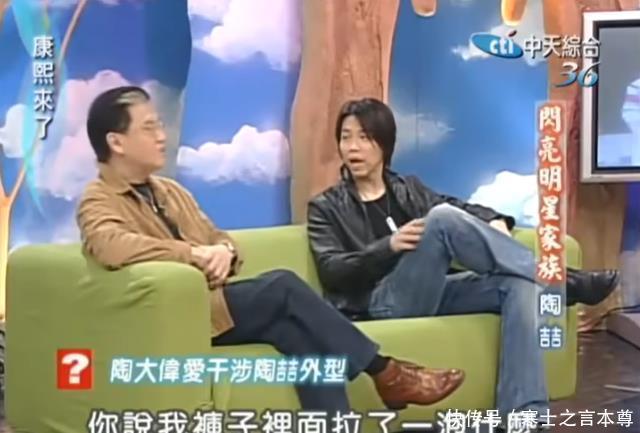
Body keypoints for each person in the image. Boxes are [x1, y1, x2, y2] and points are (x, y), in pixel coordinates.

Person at [76, 86, 466, 416]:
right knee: (282, 286)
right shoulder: (98, 199)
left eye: (160, 125)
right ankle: (386, 371)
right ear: (116, 142)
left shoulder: (170, 191)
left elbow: (221, 238)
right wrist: (193, 254)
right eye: (149, 127)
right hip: (180, 316)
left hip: (215, 305)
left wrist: (223, 251)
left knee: (303, 339)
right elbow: (111, 245)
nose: (162, 135)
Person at [306, 98, 621, 424]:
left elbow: (458, 208)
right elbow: (332, 271)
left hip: (432, 291)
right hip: (378, 303)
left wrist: (494, 218)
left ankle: (523, 415)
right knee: (441, 219)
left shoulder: (406, 189)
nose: (353, 147)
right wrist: (389, 246)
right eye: (346, 137)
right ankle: (561, 279)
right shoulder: (326, 207)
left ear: (385, 143)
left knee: (519, 286)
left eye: (364, 137)